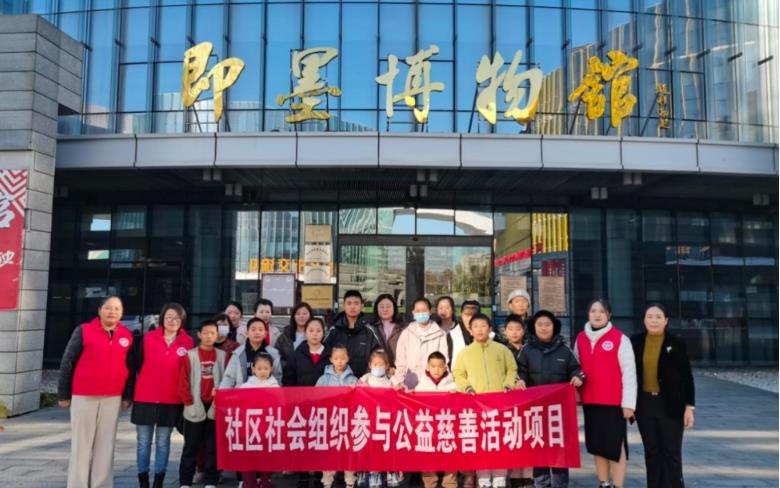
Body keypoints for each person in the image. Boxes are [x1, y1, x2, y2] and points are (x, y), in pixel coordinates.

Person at [58, 296, 134, 488]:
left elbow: (130, 368)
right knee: (81, 444)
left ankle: (102, 484)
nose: (112, 312)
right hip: (84, 395)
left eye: (117, 308)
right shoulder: (84, 331)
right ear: (99, 310)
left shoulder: (127, 335)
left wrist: (127, 396)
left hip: (113, 397)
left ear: (122, 313)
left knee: (106, 444)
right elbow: (68, 361)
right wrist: (64, 394)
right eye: (108, 308)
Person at [516, 310, 585, 488]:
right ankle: (541, 483)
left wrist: (578, 377)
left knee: (559, 448)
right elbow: (519, 371)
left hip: (559, 411)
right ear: (534, 327)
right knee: (539, 447)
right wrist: (520, 380)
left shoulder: (564, 349)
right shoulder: (526, 350)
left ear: (554, 327)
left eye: (547, 324)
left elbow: (576, 369)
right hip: (536, 410)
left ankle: (561, 484)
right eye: (540, 324)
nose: (544, 328)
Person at [573, 299, 637, 488]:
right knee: (597, 445)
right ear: (588, 314)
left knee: (615, 446)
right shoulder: (580, 338)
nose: (597, 315)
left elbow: (629, 373)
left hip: (614, 403)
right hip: (591, 402)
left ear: (609, 315)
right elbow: (576, 367)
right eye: (593, 311)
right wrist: (576, 392)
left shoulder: (619, 338)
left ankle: (618, 485)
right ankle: (604, 483)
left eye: (602, 311)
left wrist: (629, 404)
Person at [631, 303, 695, 488]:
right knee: (652, 452)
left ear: (666, 321)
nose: (654, 320)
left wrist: (689, 407)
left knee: (671, 452)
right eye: (650, 316)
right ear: (644, 320)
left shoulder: (677, 343)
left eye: (658, 317)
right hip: (644, 404)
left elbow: (686, 377)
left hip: (670, 404)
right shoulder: (635, 341)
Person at [131, 303, 194, 488]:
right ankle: (143, 480)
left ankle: (159, 480)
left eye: (177, 318)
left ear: (182, 320)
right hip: (145, 397)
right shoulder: (147, 339)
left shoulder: (188, 342)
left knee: (163, 441)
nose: (172, 321)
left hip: (171, 399)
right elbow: (136, 365)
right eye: (169, 317)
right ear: (162, 318)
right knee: (143, 442)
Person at [453, 313, 517, 488]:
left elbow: (512, 369)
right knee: (481, 442)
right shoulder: (465, 353)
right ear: (470, 331)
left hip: (500, 404)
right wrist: (467, 388)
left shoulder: (501, 350)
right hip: (477, 405)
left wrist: (508, 385)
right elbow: (458, 374)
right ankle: (483, 477)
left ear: (490, 329)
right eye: (476, 326)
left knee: (499, 441)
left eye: (483, 326)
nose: (480, 329)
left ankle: (499, 477)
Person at [177, 320, 227, 488]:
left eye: (212, 333)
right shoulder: (190, 355)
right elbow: (183, 380)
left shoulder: (222, 356)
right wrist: (188, 402)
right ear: (199, 335)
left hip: (215, 406)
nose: (209, 336)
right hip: (195, 404)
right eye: (205, 333)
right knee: (191, 447)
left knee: (213, 447)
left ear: (217, 335)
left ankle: (211, 480)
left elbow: (227, 379)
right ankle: (185, 481)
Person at [316, 345, 358, 488]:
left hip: (348, 421)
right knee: (330, 451)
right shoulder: (323, 379)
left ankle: (350, 479)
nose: (339, 361)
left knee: (348, 450)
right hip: (330, 421)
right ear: (331, 360)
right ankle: (327, 480)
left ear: (348, 359)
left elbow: (360, 398)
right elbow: (315, 397)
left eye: (343, 358)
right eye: (336, 358)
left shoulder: (353, 379)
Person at [357, 351, 399, 488]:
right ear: (370, 365)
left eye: (381, 364)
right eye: (375, 364)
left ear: (387, 366)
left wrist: (400, 388)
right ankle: (372, 473)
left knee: (387, 447)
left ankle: (390, 473)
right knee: (371, 448)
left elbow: (400, 389)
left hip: (386, 420)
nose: (378, 367)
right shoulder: (366, 379)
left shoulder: (390, 380)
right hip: (370, 420)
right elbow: (357, 389)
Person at [415, 351, 457, 488]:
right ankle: (429, 483)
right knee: (427, 454)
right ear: (427, 367)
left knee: (450, 453)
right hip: (429, 427)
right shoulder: (421, 386)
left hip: (447, 426)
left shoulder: (452, 386)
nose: (436, 370)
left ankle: (450, 482)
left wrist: (456, 394)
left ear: (445, 367)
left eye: (440, 366)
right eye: (433, 366)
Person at [501, 314, 533, 488]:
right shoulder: (500, 350)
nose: (514, 332)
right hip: (509, 400)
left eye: (518, 329)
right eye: (510, 329)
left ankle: (528, 475)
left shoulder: (530, 348)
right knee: (512, 436)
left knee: (528, 437)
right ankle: (514, 475)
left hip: (528, 398)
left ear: (524, 330)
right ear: (505, 331)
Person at [240, 353, 280, 488]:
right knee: (248, 457)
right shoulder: (246, 386)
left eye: (266, 368)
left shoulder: (275, 386)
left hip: (267, 428)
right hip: (250, 428)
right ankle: (249, 483)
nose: (263, 371)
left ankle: (265, 481)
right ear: (253, 369)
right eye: (259, 368)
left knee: (266, 457)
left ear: (271, 369)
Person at [392, 297, 448, 390]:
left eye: (424, 310)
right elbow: (400, 361)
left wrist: (443, 383)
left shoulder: (440, 334)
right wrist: (399, 382)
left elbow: (444, 360)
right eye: (418, 311)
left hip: (432, 384)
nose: (421, 313)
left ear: (430, 311)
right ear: (413, 313)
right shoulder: (407, 333)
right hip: (409, 384)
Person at [324, 290, 383, 378]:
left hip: (363, 381)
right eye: (349, 303)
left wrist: (367, 378)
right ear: (344, 306)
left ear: (361, 306)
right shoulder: (334, 330)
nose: (352, 306)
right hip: (338, 381)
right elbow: (325, 356)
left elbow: (378, 356)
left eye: (356, 303)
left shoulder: (369, 331)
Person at [221, 317, 282, 388]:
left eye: (260, 330)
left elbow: (278, 377)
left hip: (266, 393)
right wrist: (222, 392)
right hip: (243, 392)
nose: (257, 332)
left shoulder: (273, 354)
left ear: (265, 334)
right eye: (253, 330)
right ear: (247, 333)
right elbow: (229, 378)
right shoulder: (238, 353)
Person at [283, 317, 331, 387]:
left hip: (326, 393)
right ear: (305, 333)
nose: (315, 334)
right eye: (311, 331)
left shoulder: (331, 355)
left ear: (323, 333)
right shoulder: (295, 355)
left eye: (318, 331)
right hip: (301, 393)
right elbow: (288, 381)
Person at [435, 296, 472, 369]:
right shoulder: (433, 328)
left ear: (453, 310)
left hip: (459, 369)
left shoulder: (462, 327)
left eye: (447, 308)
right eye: (440, 308)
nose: (444, 310)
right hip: (438, 370)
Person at [372, 293, 406, 370]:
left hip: (399, 371)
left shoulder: (404, 328)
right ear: (376, 309)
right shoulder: (371, 328)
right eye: (381, 307)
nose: (385, 309)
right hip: (378, 370)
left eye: (388, 306)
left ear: (394, 308)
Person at [275, 302, 313, 367]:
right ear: (293, 317)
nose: (301, 316)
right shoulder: (285, 336)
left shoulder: (316, 335)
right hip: (288, 371)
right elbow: (277, 357)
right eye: (298, 314)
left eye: (304, 313)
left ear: (310, 315)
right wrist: (289, 366)